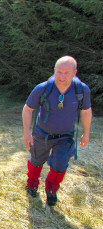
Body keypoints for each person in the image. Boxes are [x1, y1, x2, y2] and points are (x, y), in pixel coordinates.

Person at [22, 56, 92, 206]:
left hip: (65, 136)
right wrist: (27, 133)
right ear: (54, 71)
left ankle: (51, 189)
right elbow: (28, 109)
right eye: (59, 72)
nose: (62, 76)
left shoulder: (81, 90)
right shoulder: (43, 88)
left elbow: (86, 111)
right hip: (42, 134)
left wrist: (86, 133)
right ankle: (32, 184)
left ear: (74, 72)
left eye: (67, 73)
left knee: (60, 165)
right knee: (36, 160)